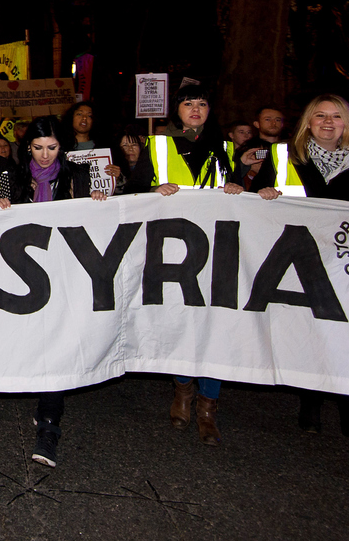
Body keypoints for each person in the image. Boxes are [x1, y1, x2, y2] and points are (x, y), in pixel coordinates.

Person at [252, 94, 349, 483]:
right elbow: (251, 200)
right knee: (312, 338)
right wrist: (264, 195)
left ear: (347, 124)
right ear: (308, 122)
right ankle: (311, 398)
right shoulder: (283, 157)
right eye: (320, 116)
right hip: (298, 268)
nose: (328, 123)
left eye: (337, 117)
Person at [0, 115, 106, 466]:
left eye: (53, 148)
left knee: (56, 344)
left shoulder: (76, 175)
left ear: (63, 147)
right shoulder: (9, 177)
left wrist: (97, 200)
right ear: (28, 146)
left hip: (64, 273)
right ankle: (45, 400)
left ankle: (49, 424)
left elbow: (91, 219)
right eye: (38, 148)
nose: (45, 156)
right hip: (21, 276)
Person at [144, 84, 243, 446]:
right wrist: (152, 191)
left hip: (218, 251)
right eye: (189, 103)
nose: (196, 109)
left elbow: (249, 196)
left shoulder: (227, 149)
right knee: (181, 324)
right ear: (177, 110)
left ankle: (207, 406)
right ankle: (182, 390)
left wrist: (238, 186)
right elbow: (136, 189)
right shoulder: (156, 145)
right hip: (172, 252)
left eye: (202, 103)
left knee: (215, 326)